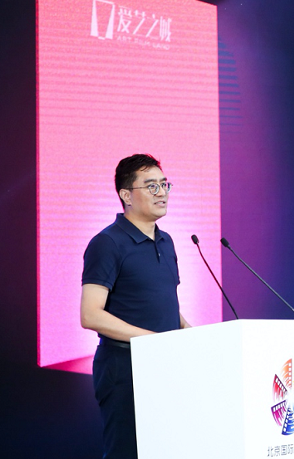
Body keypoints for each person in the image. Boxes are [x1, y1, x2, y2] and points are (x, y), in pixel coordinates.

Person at [80, 154, 190, 459]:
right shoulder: (108, 243)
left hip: (166, 364)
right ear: (126, 195)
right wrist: (152, 340)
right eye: (151, 186)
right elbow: (90, 314)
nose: (162, 192)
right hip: (124, 367)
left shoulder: (166, 241)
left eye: (165, 184)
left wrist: (192, 335)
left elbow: (163, 302)